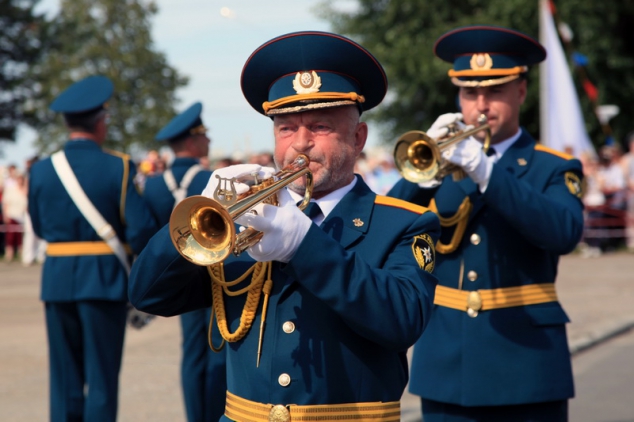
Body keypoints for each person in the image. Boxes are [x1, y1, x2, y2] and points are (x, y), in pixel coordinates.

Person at [129, 31, 440, 421]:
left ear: (358, 137)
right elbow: (147, 294)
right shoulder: (247, 220)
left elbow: (402, 321)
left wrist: (305, 245)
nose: (300, 144)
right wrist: (200, 218)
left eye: (321, 126)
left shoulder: (404, 222)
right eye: (286, 128)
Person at [388, 25, 585, 421]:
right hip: (447, 363)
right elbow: (384, 230)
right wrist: (419, 178)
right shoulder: (441, 164)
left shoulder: (553, 166)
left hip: (527, 363)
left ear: (521, 93)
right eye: (469, 93)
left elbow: (564, 232)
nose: (480, 106)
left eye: (494, 92)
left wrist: (489, 174)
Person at [28, 75, 159, 422]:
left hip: (56, 280)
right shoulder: (118, 166)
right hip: (104, 280)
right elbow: (142, 228)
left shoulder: (40, 170)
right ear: (100, 123)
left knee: (64, 379)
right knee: (101, 379)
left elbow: (40, 228)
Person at [143, 102, 226, 422]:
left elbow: (147, 239)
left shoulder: (152, 184)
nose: (208, 141)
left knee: (191, 352)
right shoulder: (212, 178)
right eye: (203, 136)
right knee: (217, 349)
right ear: (192, 141)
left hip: (176, 276)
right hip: (215, 276)